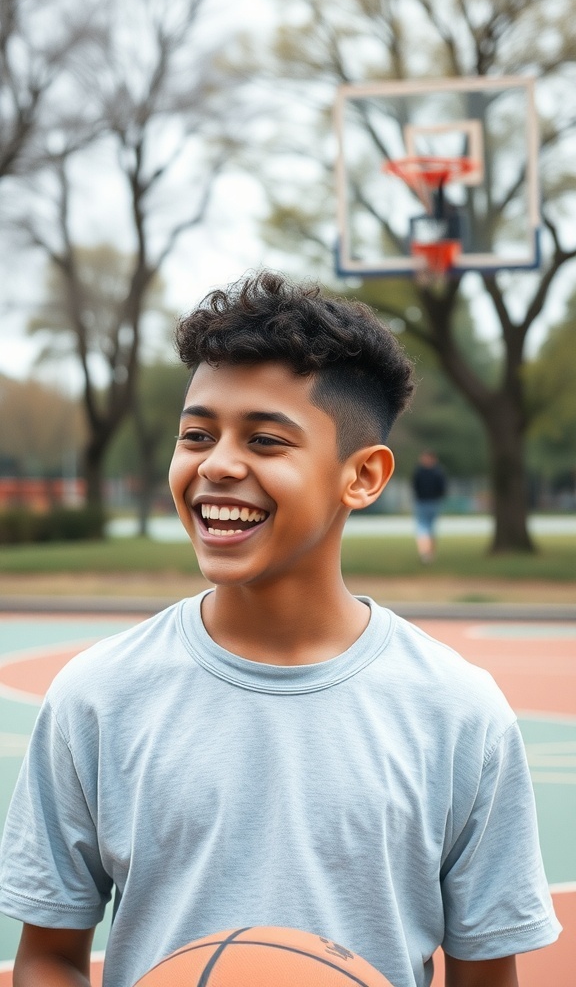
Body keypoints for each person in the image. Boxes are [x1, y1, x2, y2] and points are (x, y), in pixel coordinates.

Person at [0, 272, 560, 987]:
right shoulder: (97, 695)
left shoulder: (458, 711)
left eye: (266, 440)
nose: (218, 464)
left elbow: (486, 977)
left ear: (362, 477)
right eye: (196, 434)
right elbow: (48, 958)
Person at [412, 450, 447, 563]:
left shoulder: (434, 473)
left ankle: (428, 553)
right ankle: (425, 553)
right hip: (423, 502)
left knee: (428, 529)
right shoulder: (423, 472)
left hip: (431, 502)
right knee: (424, 529)